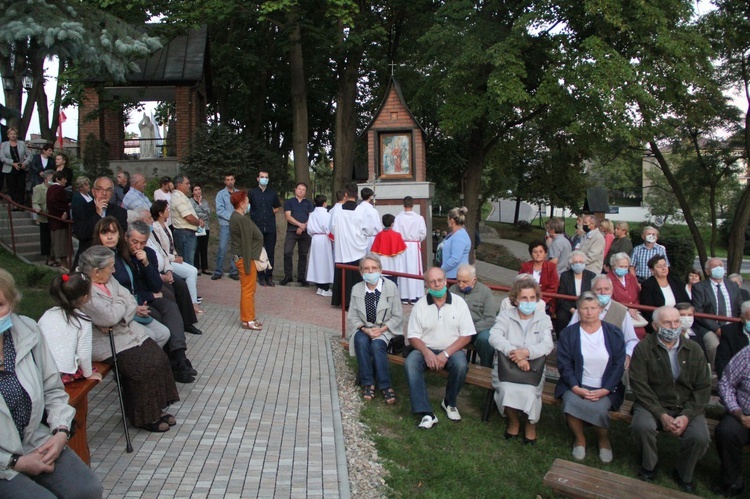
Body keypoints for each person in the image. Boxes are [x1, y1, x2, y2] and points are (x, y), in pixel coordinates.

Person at [0, 268, 103, 497]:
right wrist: (16, 462)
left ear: (12, 305)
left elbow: (53, 391)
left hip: (34, 439)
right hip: (3, 460)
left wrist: (60, 434)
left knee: (87, 489)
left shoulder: (27, 331)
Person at [78, 246, 181, 433]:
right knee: (141, 367)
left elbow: (130, 301)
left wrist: (119, 311)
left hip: (126, 332)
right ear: (96, 271)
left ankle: (155, 409)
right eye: (111, 267)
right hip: (105, 342)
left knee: (158, 358)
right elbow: (108, 317)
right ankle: (142, 417)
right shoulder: (84, 289)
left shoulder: (109, 279)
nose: (114, 270)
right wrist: (120, 306)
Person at [629, 306, 711, 492]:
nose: (673, 326)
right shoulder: (643, 348)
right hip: (653, 403)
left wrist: (688, 415)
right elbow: (639, 385)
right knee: (641, 426)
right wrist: (661, 414)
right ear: (656, 326)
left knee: (700, 437)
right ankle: (649, 465)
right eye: (667, 322)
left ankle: (683, 472)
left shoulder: (694, 349)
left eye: (676, 322)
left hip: (686, 404)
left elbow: (703, 387)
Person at [555, 292, 626, 463]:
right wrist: (575, 387)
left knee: (600, 408)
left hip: (606, 386)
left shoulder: (614, 333)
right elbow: (564, 364)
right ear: (578, 310)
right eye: (584, 308)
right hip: (577, 384)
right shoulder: (569, 333)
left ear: (600, 310)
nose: (589, 312)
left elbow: (618, 364)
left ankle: (603, 440)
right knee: (571, 402)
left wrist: (605, 390)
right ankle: (580, 439)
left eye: (593, 308)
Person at [405, 267, 476, 429]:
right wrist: (426, 352)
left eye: (440, 280)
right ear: (427, 284)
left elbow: (467, 335)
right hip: (425, 349)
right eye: (432, 281)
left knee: (460, 364)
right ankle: (426, 412)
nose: (437, 284)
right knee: (411, 363)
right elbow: (413, 336)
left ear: (445, 281)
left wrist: (445, 353)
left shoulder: (459, 303)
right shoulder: (420, 305)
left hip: (451, 349)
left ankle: (449, 402)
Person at [490, 277, 554, 443]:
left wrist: (527, 352)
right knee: (505, 389)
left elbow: (547, 345)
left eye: (532, 298)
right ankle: (514, 421)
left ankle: (531, 424)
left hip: (533, 368)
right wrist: (514, 353)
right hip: (507, 367)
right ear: (516, 300)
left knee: (531, 392)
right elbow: (494, 337)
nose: (528, 301)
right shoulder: (505, 316)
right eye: (524, 298)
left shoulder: (544, 319)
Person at [347, 254, 403, 404]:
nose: (370, 271)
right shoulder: (357, 289)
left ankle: (385, 386)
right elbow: (353, 316)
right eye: (366, 269)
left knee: (377, 345)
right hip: (365, 328)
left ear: (380, 269)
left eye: (374, 268)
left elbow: (397, 316)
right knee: (360, 340)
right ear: (361, 272)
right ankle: (368, 382)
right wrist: (365, 330)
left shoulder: (390, 287)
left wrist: (382, 330)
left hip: (385, 329)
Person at [38, 272, 102, 383]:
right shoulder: (83, 320)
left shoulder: (47, 314)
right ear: (85, 297)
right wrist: (88, 374)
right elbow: (84, 353)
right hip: (64, 373)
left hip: (42, 371)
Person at [569, 276, 640, 368]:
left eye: (607, 289)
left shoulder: (622, 311)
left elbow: (632, 340)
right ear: (592, 291)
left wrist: (627, 355)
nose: (603, 293)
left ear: (612, 290)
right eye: (599, 289)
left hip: (612, 362)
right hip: (584, 359)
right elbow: (570, 333)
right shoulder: (582, 309)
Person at [149, 201, 203, 316]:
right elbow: (160, 250)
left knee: (193, 270)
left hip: (172, 257)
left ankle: (192, 301)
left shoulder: (167, 227)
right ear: (160, 213)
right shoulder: (155, 228)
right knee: (191, 272)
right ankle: (193, 303)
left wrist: (176, 255)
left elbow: (171, 246)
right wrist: (173, 258)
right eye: (166, 210)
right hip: (166, 260)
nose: (169, 211)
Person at [691, 257, 743, 369]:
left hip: (732, 325)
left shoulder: (733, 286)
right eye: (715, 266)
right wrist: (717, 329)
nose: (719, 268)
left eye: (721, 265)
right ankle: (716, 371)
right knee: (714, 345)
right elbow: (699, 312)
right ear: (707, 271)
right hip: (709, 327)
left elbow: (740, 307)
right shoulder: (699, 287)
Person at [713, 343, 750, 497]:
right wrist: (737, 411)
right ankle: (732, 481)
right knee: (726, 432)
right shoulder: (747, 353)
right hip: (744, 414)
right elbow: (726, 383)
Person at [449, 264, 499, 368]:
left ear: (474, 280)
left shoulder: (485, 292)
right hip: (456, 328)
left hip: (478, 329)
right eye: (458, 281)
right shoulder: (452, 290)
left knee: (486, 339)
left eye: (465, 281)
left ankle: (486, 367)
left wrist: (471, 329)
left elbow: (490, 318)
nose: (461, 285)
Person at [72, 176, 128, 266]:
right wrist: (98, 214)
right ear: (93, 192)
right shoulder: (82, 209)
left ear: (112, 193)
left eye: (108, 190)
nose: (104, 193)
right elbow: (82, 234)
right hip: (88, 260)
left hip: (113, 260)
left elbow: (121, 236)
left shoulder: (120, 212)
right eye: (100, 189)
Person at [230, 190, 264, 330]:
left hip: (243, 257)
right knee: (248, 290)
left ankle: (249, 317)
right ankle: (247, 320)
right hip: (246, 259)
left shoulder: (235, 217)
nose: (249, 203)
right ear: (242, 203)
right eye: (248, 201)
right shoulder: (241, 219)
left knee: (248, 289)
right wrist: (248, 263)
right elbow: (246, 242)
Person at [330, 183, 368, 309]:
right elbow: (367, 229)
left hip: (342, 248)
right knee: (355, 275)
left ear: (345, 194)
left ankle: (341, 301)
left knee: (343, 274)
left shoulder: (338, 210)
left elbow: (333, 228)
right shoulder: (361, 210)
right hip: (356, 248)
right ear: (357, 194)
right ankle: (355, 302)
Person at [639, 254, 690, 333]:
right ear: (652, 270)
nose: (663, 268)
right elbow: (647, 310)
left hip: (679, 319)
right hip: (661, 322)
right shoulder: (648, 285)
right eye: (659, 267)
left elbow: (686, 301)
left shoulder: (676, 281)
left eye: (665, 265)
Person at [249, 170, 282, 286]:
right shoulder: (252, 193)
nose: (264, 179)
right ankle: (261, 276)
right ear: (258, 179)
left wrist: (270, 212)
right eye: (262, 177)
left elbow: (278, 207)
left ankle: (269, 276)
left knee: (270, 252)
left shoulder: (272, 194)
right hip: (256, 227)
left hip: (270, 227)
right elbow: (248, 206)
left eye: (266, 177)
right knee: (258, 252)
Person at [393, 196, 427, 303]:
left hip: (402, 246)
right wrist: (417, 240)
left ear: (403, 205)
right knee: (414, 270)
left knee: (403, 269)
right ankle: (414, 296)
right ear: (413, 205)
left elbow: (395, 232)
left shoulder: (398, 218)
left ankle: (403, 296)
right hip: (413, 246)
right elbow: (423, 233)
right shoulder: (419, 218)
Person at [281, 182, 314, 286]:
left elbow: (311, 217)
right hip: (292, 231)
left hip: (305, 232)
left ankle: (301, 277)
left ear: (305, 192)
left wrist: (303, 227)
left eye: (303, 190)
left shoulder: (309, 203)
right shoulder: (289, 202)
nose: (300, 191)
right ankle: (288, 276)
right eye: (299, 189)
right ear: (295, 190)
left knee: (303, 254)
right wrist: (300, 225)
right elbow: (288, 216)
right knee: (287, 252)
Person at [555, 251, 596, 332]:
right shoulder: (565, 276)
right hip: (569, 306)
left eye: (580, 262)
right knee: (561, 317)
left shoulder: (591, 276)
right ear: (571, 264)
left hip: (586, 306)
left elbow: (594, 295)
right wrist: (572, 309)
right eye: (575, 262)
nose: (578, 264)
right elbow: (561, 296)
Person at [609, 252, 646, 338]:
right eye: (621, 266)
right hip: (617, 312)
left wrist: (635, 308)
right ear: (614, 266)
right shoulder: (608, 279)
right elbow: (609, 299)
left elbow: (638, 295)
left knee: (641, 332)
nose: (624, 269)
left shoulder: (631, 277)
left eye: (626, 267)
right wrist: (627, 309)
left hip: (635, 312)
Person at [170, 175, 205, 266]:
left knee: (188, 262)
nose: (189, 185)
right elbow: (188, 217)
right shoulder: (177, 197)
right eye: (187, 183)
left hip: (187, 233)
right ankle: (187, 280)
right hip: (184, 233)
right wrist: (199, 222)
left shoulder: (182, 196)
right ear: (179, 185)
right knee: (187, 264)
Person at [520, 240, 559, 315]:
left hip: (545, 300)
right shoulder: (525, 266)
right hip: (526, 298)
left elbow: (553, 288)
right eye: (535, 252)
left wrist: (539, 299)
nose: (538, 254)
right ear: (531, 254)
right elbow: (519, 284)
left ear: (545, 253)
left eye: (541, 252)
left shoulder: (551, 267)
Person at [306, 194, 334, 296]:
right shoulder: (327, 215)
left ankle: (319, 286)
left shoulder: (312, 214)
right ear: (324, 203)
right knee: (325, 262)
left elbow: (309, 229)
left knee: (316, 262)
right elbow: (329, 228)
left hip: (315, 238)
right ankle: (325, 288)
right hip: (324, 238)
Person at [213, 173, 239, 281]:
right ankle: (218, 271)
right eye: (228, 179)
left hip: (237, 225)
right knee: (222, 248)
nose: (230, 181)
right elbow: (220, 210)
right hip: (225, 225)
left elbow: (243, 206)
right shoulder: (220, 194)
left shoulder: (238, 193)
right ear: (225, 182)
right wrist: (232, 217)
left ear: (234, 180)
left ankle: (234, 271)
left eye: (232, 179)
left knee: (236, 249)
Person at [714, 302, 750, 380]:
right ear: (742, 318)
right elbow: (722, 362)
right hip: (739, 380)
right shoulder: (729, 332)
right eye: (749, 319)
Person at [370, 213, 406, 285]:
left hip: (383, 263)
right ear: (392, 224)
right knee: (394, 284)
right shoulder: (397, 235)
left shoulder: (379, 235)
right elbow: (401, 251)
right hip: (394, 264)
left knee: (382, 284)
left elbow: (374, 251)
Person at [0, 126, 31, 208]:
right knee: (12, 188)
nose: (13, 135)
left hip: (21, 168)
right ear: (8, 135)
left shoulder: (22, 143)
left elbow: (29, 155)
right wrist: (13, 163)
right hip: (9, 169)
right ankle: (14, 204)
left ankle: (21, 205)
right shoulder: (4, 144)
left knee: (21, 187)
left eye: (14, 134)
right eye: (11, 134)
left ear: (17, 135)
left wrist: (25, 163)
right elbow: (2, 157)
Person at [46, 171, 69, 269]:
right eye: (64, 179)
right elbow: (52, 200)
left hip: (53, 220)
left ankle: (52, 258)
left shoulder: (50, 188)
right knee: (61, 241)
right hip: (59, 221)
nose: (66, 181)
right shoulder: (58, 189)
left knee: (54, 240)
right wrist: (62, 212)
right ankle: (64, 264)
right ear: (58, 179)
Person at [441, 207, 471, 279]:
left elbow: (454, 259)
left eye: (447, 219)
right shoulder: (454, 234)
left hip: (455, 277)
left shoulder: (459, 236)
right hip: (452, 275)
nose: (447, 221)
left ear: (452, 221)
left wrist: (441, 270)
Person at [32, 171, 53, 266]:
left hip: (54, 217)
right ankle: (49, 258)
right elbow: (35, 202)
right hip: (44, 217)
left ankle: (54, 257)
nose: (52, 180)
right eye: (50, 178)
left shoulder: (55, 188)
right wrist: (38, 209)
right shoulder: (38, 188)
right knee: (46, 239)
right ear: (45, 179)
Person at [190, 183, 211, 276]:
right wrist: (201, 213)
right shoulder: (190, 201)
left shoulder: (204, 201)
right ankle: (197, 267)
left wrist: (200, 204)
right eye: (195, 190)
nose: (198, 191)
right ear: (192, 192)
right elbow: (193, 213)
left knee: (204, 247)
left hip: (205, 227)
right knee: (196, 247)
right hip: (195, 227)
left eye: (199, 189)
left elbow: (208, 213)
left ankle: (205, 267)